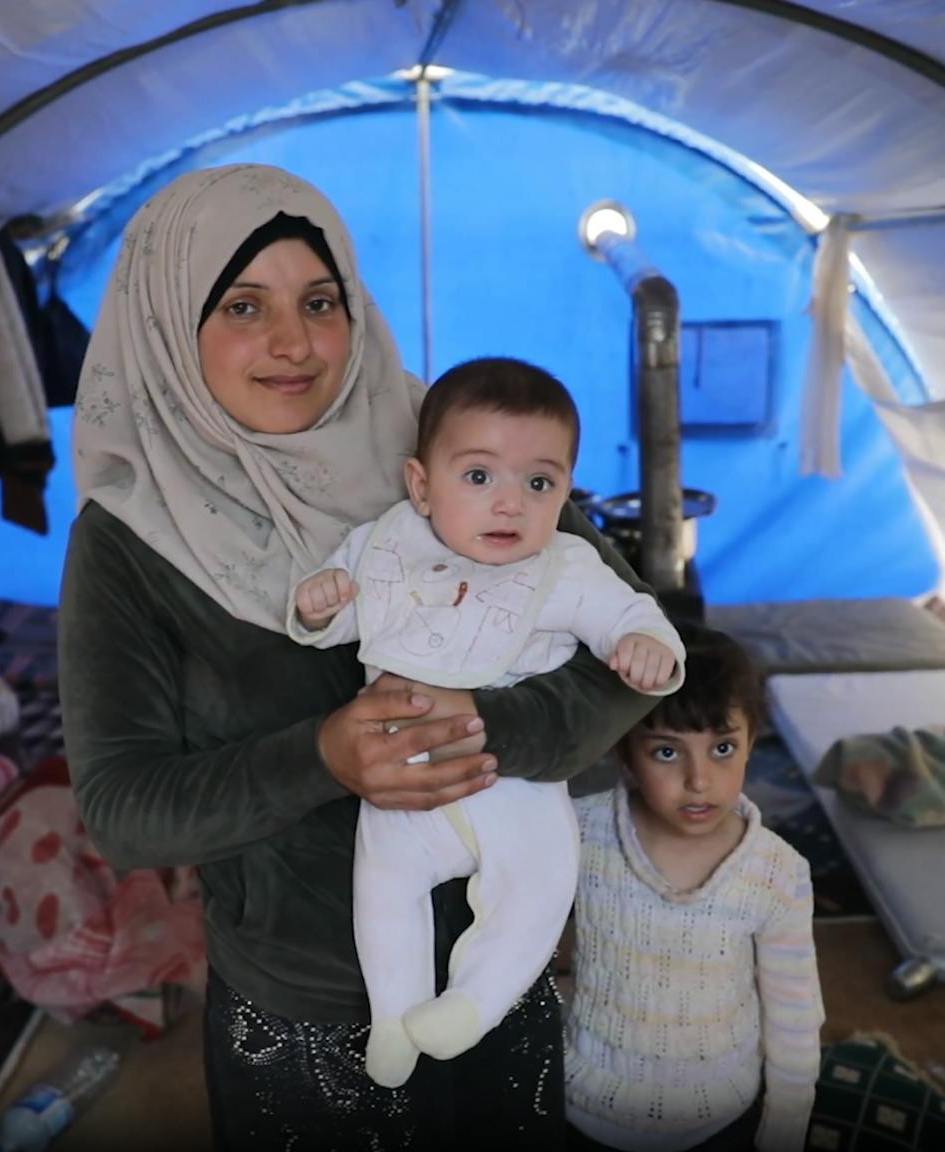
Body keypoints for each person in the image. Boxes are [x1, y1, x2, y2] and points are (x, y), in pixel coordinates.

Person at [59, 163, 660, 1150]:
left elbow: (628, 645)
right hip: (298, 1010)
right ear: (167, 324)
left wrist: (491, 725)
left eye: (319, 301)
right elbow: (124, 810)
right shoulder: (129, 542)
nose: (293, 343)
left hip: (491, 973)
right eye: (243, 306)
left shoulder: (447, 449)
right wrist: (322, 759)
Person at [288, 356, 686, 1089]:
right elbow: (340, 615)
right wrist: (320, 604)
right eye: (478, 476)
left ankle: (474, 1003)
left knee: (542, 881)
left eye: (539, 484)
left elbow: (629, 613)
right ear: (420, 486)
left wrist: (643, 643)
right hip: (403, 775)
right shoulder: (387, 545)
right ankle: (395, 1013)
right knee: (382, 885)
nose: (510, 504)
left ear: (566, 489)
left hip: (511, 783)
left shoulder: (566, 566)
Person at [565, 625, 822, 1152]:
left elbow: (794, 1013)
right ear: (624, 752)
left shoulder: (779, 873)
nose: (699, 780)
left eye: (723, 747)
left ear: (752, 742)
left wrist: (786, 1125)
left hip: (721, 1112)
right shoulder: (575, 834)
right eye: (666, 752)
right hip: (585, 1106)